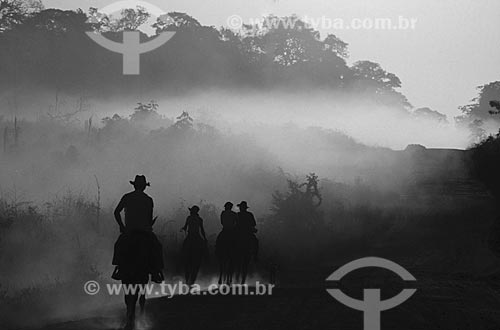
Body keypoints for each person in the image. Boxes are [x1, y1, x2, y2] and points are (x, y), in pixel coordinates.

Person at [112, 175, 164, 283]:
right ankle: (155, 272)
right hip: (145, 232)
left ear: (134, 186)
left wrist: (121, 226)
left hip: (129, 232)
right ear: (144, 187)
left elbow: (116, 212)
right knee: (157, 247)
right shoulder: (148, 199)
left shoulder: (127, 197)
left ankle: (119, 268)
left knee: (119, 245)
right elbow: (149, 218)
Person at [181, 205, 208, 285]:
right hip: (197, 236)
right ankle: (206, 258)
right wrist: (205, 238)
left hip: (190, 236)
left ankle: (182, 256)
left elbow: (185, 227)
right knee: (203, 248)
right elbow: (202, 230)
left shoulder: (189, 218)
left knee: (184, 247)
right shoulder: (199, 219)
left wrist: (183, 229)